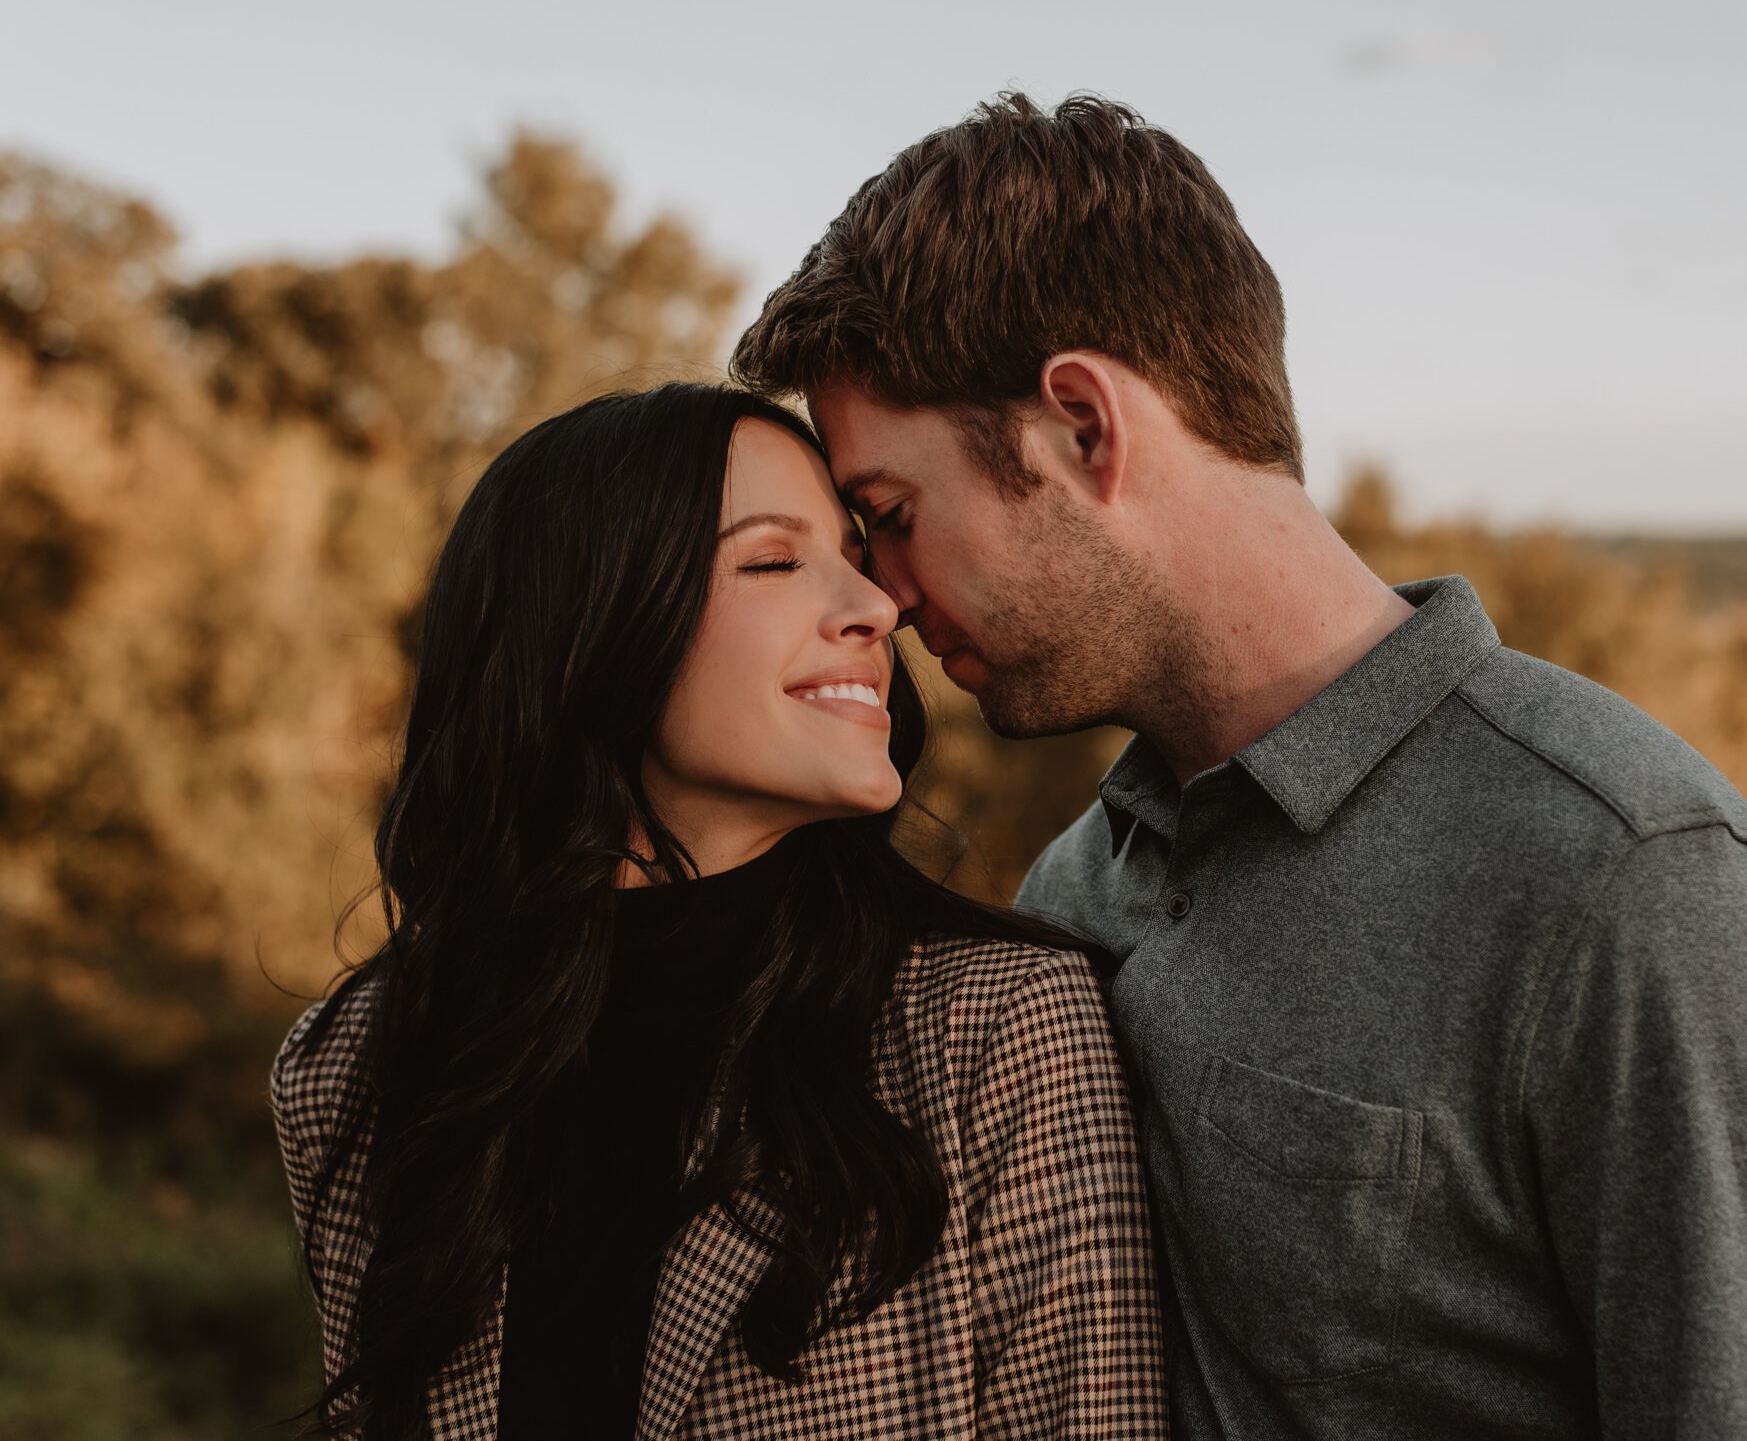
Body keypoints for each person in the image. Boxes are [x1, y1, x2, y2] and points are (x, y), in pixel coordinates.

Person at [732, 93, 1747, 1440]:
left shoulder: (1634, 891)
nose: (881, 595)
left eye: (891, 517)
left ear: (1083, 426)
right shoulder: (1079, 884)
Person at [269, 383, 1167, 1440]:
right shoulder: (354, 1067)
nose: (877, 606)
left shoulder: (1001, 1027)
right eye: (773, 560)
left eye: (854, 553)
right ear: (590, 627)